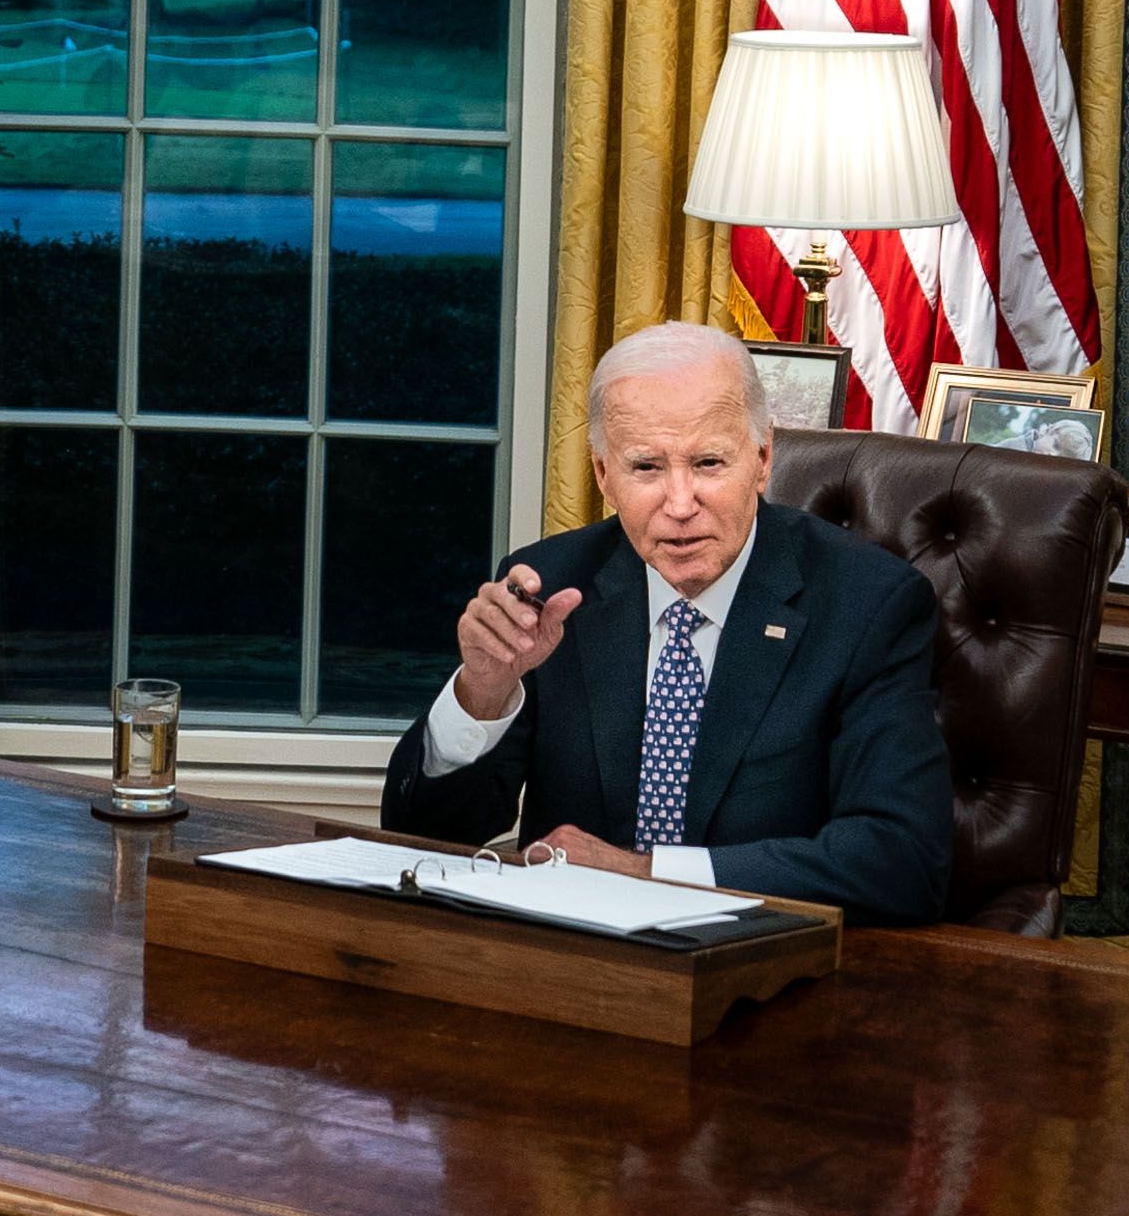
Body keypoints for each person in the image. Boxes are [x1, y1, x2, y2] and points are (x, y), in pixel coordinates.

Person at [379, 318, 953, 921]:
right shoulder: (549, 586)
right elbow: (422, 835)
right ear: (604, 475)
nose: (680, 505)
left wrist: (649, 874)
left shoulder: (867, 604)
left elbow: (903, 861)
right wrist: (485, 694)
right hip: (571, 961)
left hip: (761, 961)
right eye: (647, 468)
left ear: (761, 460)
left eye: (708, 463)